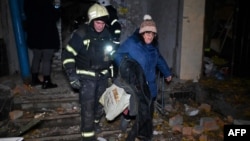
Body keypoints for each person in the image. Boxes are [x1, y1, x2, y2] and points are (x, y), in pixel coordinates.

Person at [61, 3, 115, 141]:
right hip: (86, 77)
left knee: (101, 105)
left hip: (102, 76)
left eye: (103, 23)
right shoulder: (81, 34)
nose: (100, 25)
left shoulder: (107, 34)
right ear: (91, 21)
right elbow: (68, 55)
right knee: (88, 108)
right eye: (97, 22)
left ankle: (95, 124)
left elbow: (110, 56)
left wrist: (112, 73)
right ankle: (88, 136)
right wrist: (72, 75)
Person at [113, 14, 172, 136]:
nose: (149, 36)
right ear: (142, 33)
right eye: (147, 33)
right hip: (135, 82)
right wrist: (127, 69)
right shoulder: (132, 43)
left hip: (149, 82)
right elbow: (117, 55)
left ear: (155, 35)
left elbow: (159, 59)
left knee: (148, 109)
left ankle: (143, 135)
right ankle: (126, 117)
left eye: (152, 33)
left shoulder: (154, 46)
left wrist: (167, 72)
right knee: (132, 107)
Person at [24, 0, 60, 89]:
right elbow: (55, 16)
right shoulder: (47, 3)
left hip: (34, 34)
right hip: (47, 35)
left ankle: (34, 79)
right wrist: (57, 6)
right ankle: (46, 82)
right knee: (47, 59)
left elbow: (27, 14)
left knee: (36, 56)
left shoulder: (29, 2)